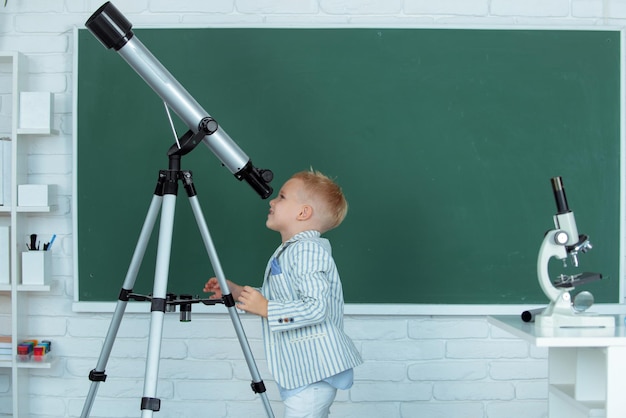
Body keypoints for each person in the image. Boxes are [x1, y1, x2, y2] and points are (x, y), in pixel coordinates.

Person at [203, 169, 362, 418]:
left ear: (303, 212)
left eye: (282, 197)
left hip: (315, 370)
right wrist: (239, 293)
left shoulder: (307, 251)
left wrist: (267, 308)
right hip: (304, 370)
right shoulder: (293, 250)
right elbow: (280, 297)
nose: (272, 201)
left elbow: (315, 308)